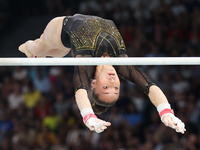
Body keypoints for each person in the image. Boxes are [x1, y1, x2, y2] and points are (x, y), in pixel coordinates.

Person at [19, 14, 186, 134]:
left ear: (93, 84)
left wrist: (88, 116)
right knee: (57, 53)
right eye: (116, 88)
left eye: (106, 87)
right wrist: (166, 112)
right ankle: (39, 52)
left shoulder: (85, 63)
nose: (113, 81)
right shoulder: (122, 66)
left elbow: (80, 90)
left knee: (39, 48)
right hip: (73, 39)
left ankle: (28, 47)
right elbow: (150, 87)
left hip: (60, 29)